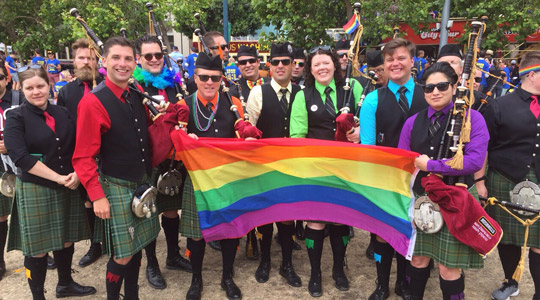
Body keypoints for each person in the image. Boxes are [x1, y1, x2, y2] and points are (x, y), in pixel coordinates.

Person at [72, 36, 161, 300]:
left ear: (135, 62)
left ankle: (131, 295)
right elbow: (82, 157)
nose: (123, 64)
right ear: (104, 61)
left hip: (140, 182)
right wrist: (97, 195)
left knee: (137, 247)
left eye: (128, 59)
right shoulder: (92, 101)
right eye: (116, 58)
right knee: (122, 254)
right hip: (116, 185)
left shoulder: (134, 94)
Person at [398, 62, 489, 300]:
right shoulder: (412, 122)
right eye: (429, 88)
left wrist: (432, 166)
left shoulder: (473, 119)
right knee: (418, 259)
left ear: (455, 86)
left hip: (455, 199)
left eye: (441, 85)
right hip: (420, 198)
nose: (435, 92)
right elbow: (403, 161)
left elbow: (474, 161)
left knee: (449, 267)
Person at [4, 65, 96, 299]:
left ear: (49, 85)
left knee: (66, 239)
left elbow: (78, 146)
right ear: (21, 89)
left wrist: (77, 173)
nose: (36, 91)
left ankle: (65, 284)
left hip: (68, 183)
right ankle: (38, 296)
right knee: (37, 248)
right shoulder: (15, 116)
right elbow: (21, 157)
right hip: (37, 187)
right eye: (30, 87)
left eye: (40, 86)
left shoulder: (62, 113)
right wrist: (59, 178)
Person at [290, 45, 363, 297]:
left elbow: (365, 122)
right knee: (316, 220)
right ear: (310, 69)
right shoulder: (302, 95)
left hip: (347, 168)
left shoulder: (354, 89)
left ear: (336, 64)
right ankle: (315, 273)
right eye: (316, 64)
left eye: (326, 62)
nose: (322, 67)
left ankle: (338, 270)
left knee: (341, 219)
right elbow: (297, 135)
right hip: (316, 169)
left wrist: (360, 134)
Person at [360, 38, 428, 300]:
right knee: (382, 234)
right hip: (384, 179)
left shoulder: (428, 94)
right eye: (389, 59)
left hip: (421, 179)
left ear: (412, 61)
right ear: (384, 65)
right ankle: (381, 283)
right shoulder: (372, 101)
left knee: (410, 232)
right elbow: (367, 147)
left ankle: (404, 281)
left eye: (401, 58)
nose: (395, 63)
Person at [177, 52, 247, 300]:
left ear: (221, 80)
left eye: (214, 78)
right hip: (197, 181)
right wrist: (184, 144)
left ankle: (227, 277)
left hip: (228, 178)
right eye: (204, 77)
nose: (209, 82)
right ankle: (196, 279)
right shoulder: (184, 106)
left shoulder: (234, 104)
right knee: (195, 234)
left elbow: (244, 141)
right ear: (195, 78)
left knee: (229, 230)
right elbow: (172, 150)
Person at [480, 50, 540, 300]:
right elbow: (483, 146)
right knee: (508, 239)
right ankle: (510, 282)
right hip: (504, 177)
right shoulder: (499, 105)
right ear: (532, 74)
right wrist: (479, 181)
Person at [134, 34, 192, 290]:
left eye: (158, 55)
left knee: (171, 209)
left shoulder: (173, 85)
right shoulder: (134, 87)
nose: (155, 59)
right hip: (146, 158)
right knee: (148, 213)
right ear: (139, 59)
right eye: (149, 56)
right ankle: (152, 264)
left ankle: (172, 255)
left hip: (173, 160)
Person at [246, 42, 302, 288]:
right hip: (265, 165)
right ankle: (265, 260)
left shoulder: (302, 92)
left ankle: (287, 264)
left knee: (288, 218)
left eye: (285, 62)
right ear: (269, 65)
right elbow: (250, 130)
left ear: (293, 65)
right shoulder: (258, 92)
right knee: (266, 216)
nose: (280, 66)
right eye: (275, 62)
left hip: (293, 167)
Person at [57, 38, 104, 268]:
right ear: (74, 61)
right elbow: (65, 129)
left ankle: (114, 240)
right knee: (88, 202)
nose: (87, 62)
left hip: (109, 155)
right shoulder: (67, 92)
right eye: (82, 58)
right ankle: (96, 244)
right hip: (82, 157)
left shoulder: (109, 85)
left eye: (91, 58)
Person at [0, 63, 20, 281]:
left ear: (6, 78)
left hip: (18, 161)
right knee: (0, 215)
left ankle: (39, 252)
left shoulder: (18, 99)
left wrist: (13, 143)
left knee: (24, 207)